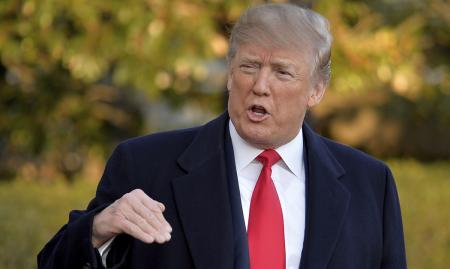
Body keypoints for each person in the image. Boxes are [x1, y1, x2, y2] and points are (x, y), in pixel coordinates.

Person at [38, 3, 406, 269]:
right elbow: (53, 262)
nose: (260, 85)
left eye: (282, 72)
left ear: (316, 90)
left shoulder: (371, 184)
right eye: (249, 66)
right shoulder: (144, 165)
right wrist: (100, 229)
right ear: (231, 74)